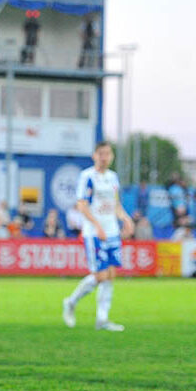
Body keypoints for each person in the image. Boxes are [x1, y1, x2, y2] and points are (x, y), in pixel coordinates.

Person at [62, 141, 134, 331]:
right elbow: (82, 205)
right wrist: (97, 226)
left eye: (108, 154)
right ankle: (71, 302)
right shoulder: (87, 176)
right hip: (94, 233)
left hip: (112, 231)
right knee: (100, 275)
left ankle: (102, 319)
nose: (104, 157)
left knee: (110, 275)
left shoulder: (113, 177)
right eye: (101, 153)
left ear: (112, 156)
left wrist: (126, 219)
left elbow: (115, 204)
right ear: (94, 155)